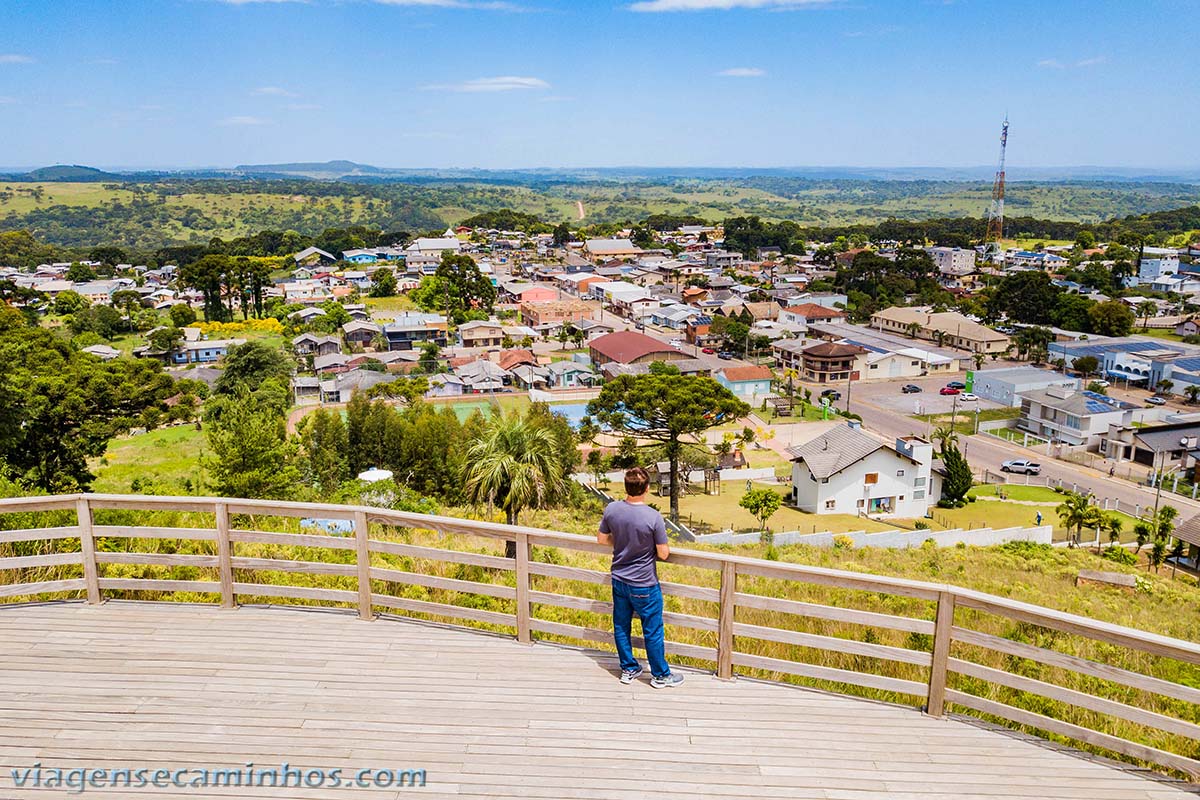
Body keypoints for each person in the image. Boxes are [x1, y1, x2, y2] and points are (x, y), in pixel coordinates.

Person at [597, 467, 683, 689]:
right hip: (644, 583)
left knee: (621, 625)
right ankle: (660, 675)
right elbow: (663, 553)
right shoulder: (653, 517)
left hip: (619, 578)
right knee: (652, 629)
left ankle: (629, 668)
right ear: (646, 489)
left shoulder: (612, 509)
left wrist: (622, 544)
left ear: (626, 487)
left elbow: (601, 539)